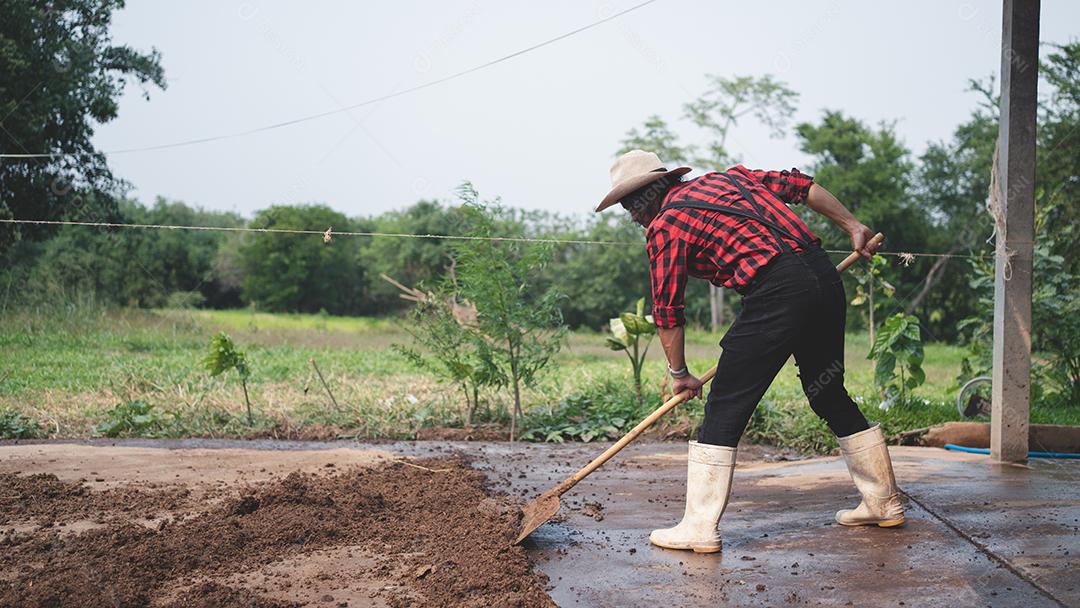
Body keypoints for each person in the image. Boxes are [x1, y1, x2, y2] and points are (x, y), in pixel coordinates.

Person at [595, 150, 905, 553]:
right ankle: (883, 502)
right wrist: (853, 225)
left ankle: (699, 527)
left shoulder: (665, 225)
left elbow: (668, 311)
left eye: (629, 208)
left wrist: (679, 374)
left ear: (643, 200)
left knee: (725, 401)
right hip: (822, 277)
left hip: (777, 291)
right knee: (826, 390)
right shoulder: (731, 179)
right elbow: (802, 186)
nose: (633, 218)